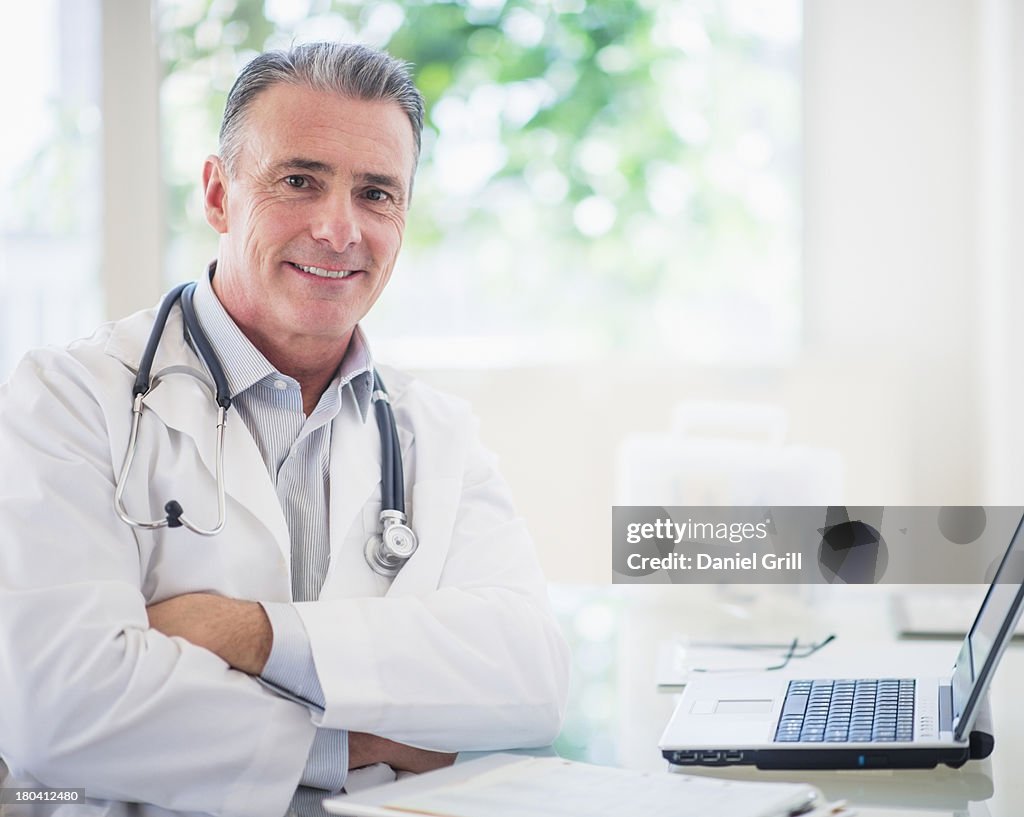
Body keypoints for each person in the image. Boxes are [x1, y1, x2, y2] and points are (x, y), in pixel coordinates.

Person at [0, 42, 569, 817]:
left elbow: (528, 678)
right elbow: (57, 712)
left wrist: (253, 634)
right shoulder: (66, 400)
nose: (339, 230)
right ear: (217, 193)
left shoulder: (436, 435)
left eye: (376, 193)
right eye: (299, 181)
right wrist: (349, 743)